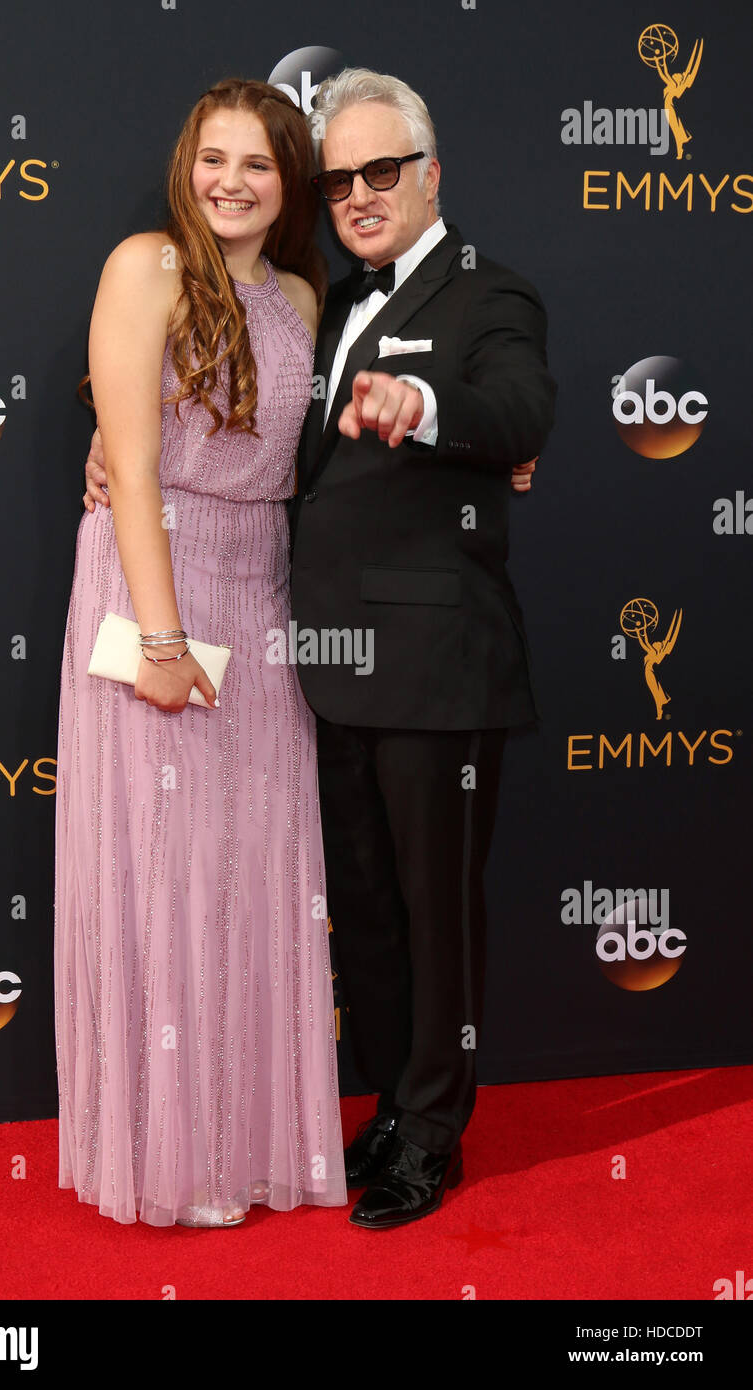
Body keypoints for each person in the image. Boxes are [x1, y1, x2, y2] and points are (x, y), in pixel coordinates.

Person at [84, 68, 554, 1232]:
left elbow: (517, 407)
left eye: (377, 171)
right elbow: (207, 429)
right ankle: (380, 1112)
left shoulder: (488, 293)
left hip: (431, 664)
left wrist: (442, 418)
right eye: (339, 175)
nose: (356, 192)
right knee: (362, 913)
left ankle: (429, 1138)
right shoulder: (323, 301)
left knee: (430, 916)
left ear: (427, 173)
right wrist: (103, 445)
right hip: (310, 658)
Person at [55, 77, 348, 1228]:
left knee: (252, 869)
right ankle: (168, 1160)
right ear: (187, 165)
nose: (230, 181)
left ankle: (245, 1143)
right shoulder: (146, 266)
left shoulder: (297, 299)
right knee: (162, 868)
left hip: (263, 588)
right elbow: (128, 463)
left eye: (258, 165)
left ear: (289, 187)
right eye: (212, 159)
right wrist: (165, 636)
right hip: (152, 577)